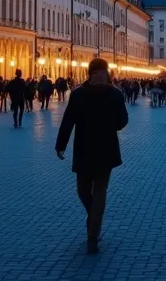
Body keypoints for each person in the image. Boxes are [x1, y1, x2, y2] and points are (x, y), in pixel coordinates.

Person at [55, 58, 128, 255]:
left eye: (101, 72)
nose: (99, 76)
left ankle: (92, 236)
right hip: (84, 149)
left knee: (100, 191)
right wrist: (61, 144)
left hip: (104, 150)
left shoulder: (114, 94)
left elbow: (122, 121)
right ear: (90, 73)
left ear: (105, 74)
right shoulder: (78, 94)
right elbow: (68, 120)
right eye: (95, 72)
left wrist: (107, 123)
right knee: (82, 190)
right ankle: (94, 217)